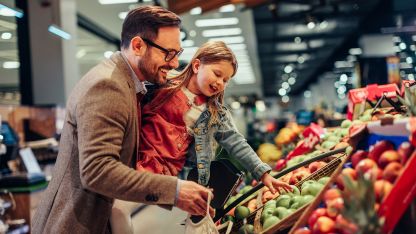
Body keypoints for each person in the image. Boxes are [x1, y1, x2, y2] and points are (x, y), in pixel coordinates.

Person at [32, 6, 213, 233]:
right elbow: (97, 170)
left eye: (177, 53)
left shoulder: (130, 85)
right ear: (138, 46)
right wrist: (175, 191)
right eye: (168, 53)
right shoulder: (108, 86)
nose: (175, 63)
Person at [110, 41, 292, 233]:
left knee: (143, 218)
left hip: (174, 179)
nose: (220, 82)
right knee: (117, 209)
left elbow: (237, 143)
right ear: (197, 66)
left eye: (226, 80)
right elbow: (129, 97)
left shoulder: (216, 114)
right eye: (217, 74)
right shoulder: (162, 87)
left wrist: (264, 173)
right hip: (137, 166)